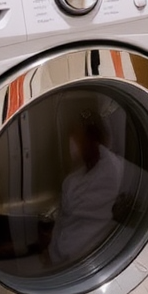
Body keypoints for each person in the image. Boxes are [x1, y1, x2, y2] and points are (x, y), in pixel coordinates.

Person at [46, 111, 130, 268]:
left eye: (76, 138)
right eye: (70, 138)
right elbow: (62, 223)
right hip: (65, 256)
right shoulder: (72, 180)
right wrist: (52, 254)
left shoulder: (113, 170)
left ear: (92, 138)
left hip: (85, 259)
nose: (71, 144)